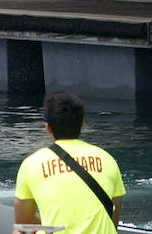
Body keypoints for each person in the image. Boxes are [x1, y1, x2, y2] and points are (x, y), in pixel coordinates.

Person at [14, 91, 124, 234]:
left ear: (48, 128)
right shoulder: (108, 160)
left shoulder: (31, 164)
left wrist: (52, 222)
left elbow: (24, 223)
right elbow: (113, 221)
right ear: (82, 124)